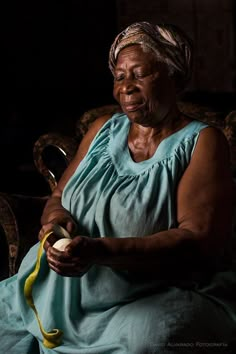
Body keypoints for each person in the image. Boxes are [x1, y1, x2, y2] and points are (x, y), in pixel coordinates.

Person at [0, 21, 236, 354]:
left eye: (139, 74)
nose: (126, 87)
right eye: (119, 76)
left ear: (177, 78)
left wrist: (100, 252)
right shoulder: (101, 130)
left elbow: (197, 241)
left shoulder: (202, 142)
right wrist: (55, 225)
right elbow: (58, 199)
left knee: (152, 338)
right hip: (60, 292)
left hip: (151, 295)